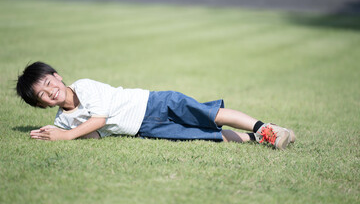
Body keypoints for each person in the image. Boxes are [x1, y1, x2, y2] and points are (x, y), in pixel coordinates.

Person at [16, 62, 295, 149]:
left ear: (57, 76)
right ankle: (261, 139)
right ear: (40, 104)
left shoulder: (84, 86)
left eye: (48, 83)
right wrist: (57, 133)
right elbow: (95, 133)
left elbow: (99, 119)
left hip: (155, 103)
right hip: (145, 128)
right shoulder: (63, 121)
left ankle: (266, 127)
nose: (50, 92)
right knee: (206, 135)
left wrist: (64, 135)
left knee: (211, 115)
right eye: (42, 94)